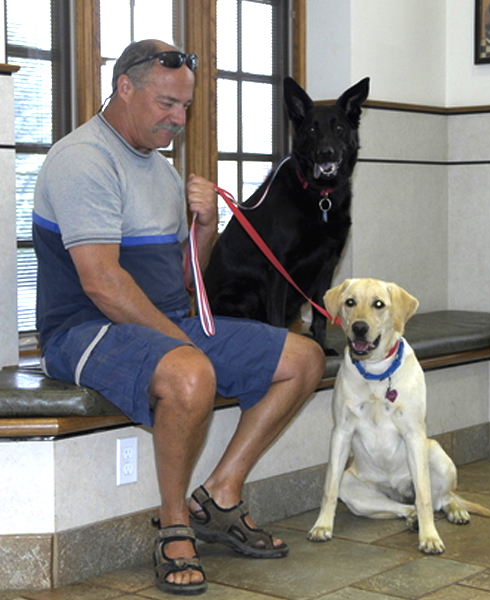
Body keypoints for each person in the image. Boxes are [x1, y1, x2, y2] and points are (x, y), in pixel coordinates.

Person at [33, 39, 325, 596]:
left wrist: (207, 228)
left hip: (161, 323)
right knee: (192, 371)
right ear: (125, 88)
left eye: (185, 107)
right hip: (84, 330)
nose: (178, 118)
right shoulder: (82, 160)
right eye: (167, 103)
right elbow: (103, 283)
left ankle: (219, 496)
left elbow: (188, 283)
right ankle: (174, 525)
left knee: (304, 357)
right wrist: (183, 346)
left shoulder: (162, 172)